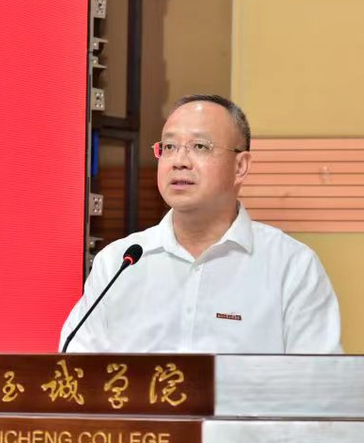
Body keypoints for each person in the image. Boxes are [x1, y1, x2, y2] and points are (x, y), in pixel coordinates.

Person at [60, 94, 342, 354]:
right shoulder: (118, 263)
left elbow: (319, 383)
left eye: (199, 146)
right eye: (169, 147)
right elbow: (75, 371)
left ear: (240, 166)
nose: (179, 161)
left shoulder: (292, 266)